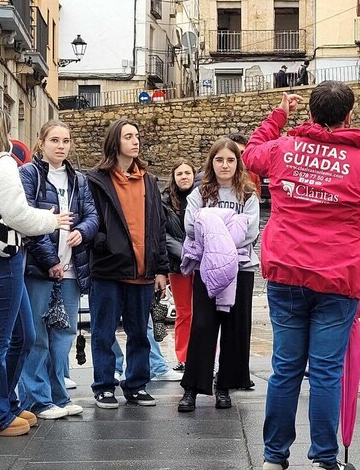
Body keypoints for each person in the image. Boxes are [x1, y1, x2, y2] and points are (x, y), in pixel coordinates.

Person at [243, 82, 360, 470]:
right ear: (349, 116)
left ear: (310, 114)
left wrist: (278, 115)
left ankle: (274, 458)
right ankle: (324, 462)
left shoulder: (283, 149)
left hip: (286, 271)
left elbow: (251, 153)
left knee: (285, 368)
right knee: (327, 372)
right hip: (337, 276)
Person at [0, 107, 72, 438]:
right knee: (1, 340)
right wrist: (51, 220)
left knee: (23, 336)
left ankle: (6, 403)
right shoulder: (2, 163)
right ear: (3, 129)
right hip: (4, 259)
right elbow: (16, 214)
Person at [17, 120, 98, 419]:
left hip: (72, 269)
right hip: (40, 268)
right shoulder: (28, 175)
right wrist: (50, 260)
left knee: (63, 334)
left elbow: (92, 215)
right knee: (37, 334)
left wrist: (84, 232)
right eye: (54, 140)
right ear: (41, 143)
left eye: (65, 141)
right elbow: (28, 221)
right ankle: (36, 399)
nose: (61, 146)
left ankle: (57, 396)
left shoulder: (79, 179)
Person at [86, 118, 168, 409]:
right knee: (104, 332)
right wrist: (102, 243)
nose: (135, 141)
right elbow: (89, 218)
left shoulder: (149, 180)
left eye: (137, 136)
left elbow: (158, 227)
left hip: (143, 270)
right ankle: (104, 387)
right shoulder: (96, 179)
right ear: (115, 142)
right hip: (108, 269)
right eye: (128, 136)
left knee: (140, 334)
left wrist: (161, 269)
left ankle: (136, 385)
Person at [177, 138, 260, 412]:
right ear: (212, 163)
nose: (225, 165)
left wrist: (213, 225)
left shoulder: (248, 195)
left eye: (230, 160)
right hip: (206, 269)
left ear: (238, 164)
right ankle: (192, 387)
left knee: (235, 329)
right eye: (219, 160)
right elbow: (191, 227)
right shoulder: (199, 194)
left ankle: (224, 386)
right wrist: (227, 226)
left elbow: (250, 232)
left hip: (241, 269)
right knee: (202, 326)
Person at [162, 158, 196, 372]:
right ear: (174, 178)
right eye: (180, 173)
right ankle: (183, 356)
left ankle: (208, 355)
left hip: (203, 264)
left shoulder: (204, 197)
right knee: (184, 312)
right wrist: (185, 252)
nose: (184, 177)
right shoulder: (165, 202)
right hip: (179, 264)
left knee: (204, 313)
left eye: (188, 173)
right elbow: (162, 234)